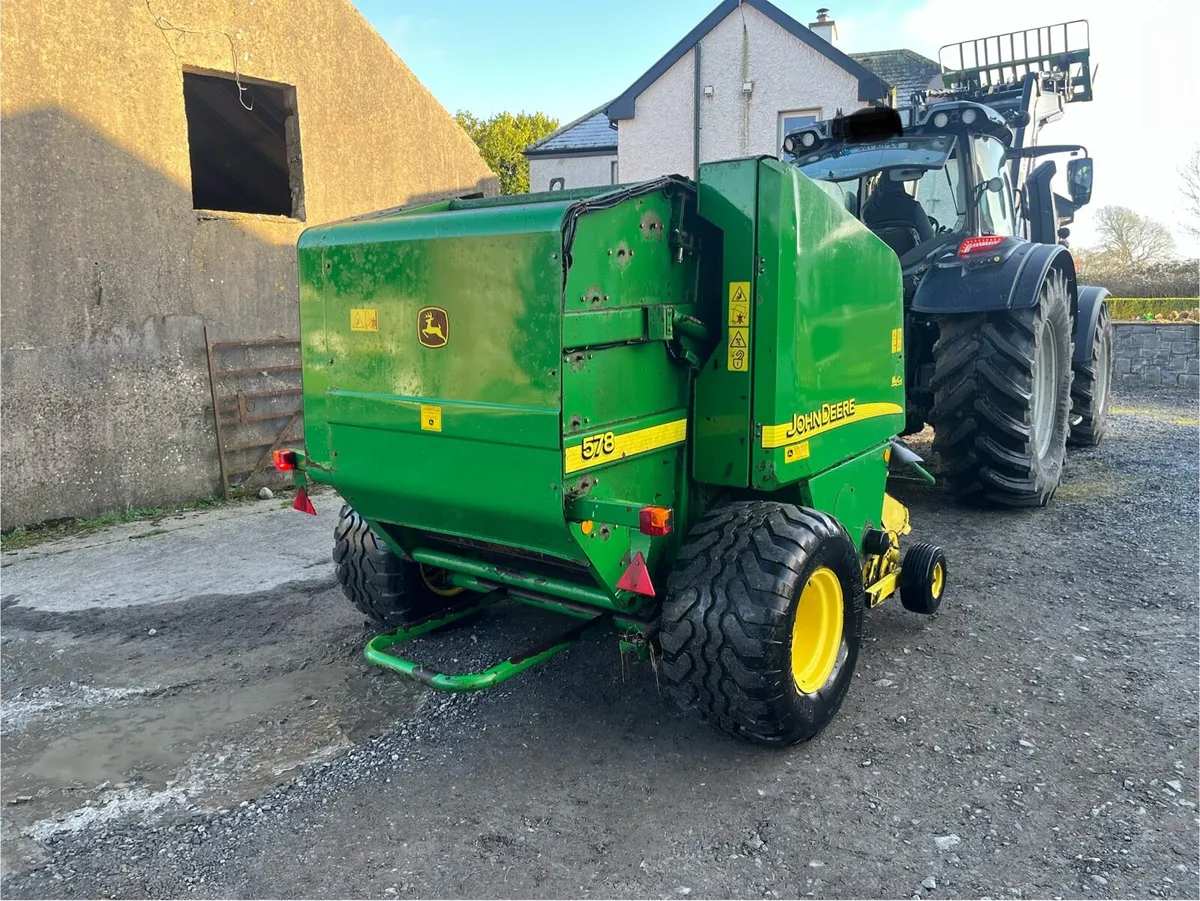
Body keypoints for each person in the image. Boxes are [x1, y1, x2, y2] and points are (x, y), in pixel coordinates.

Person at [862, 174, 934, 243]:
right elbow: (929, 237)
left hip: (878, 254)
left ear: (880, 186)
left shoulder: (869, 208)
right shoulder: (914, 207)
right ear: (901, 185)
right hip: (910, 255)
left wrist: (875, 193)